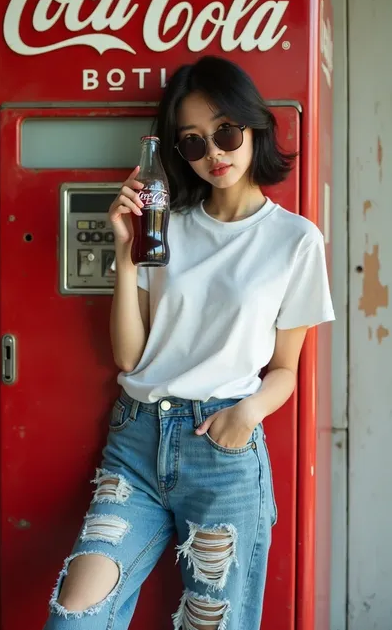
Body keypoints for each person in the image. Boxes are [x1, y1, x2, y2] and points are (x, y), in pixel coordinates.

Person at [43, 55, 335, 630]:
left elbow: (285, 370)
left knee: (212, 624)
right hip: (135, 444)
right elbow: (130, 355)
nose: (215, 154)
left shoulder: (295, 241)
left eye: (226, 133)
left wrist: (245, 414)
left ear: (253, 128)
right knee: (74, 617)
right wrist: (125, 255)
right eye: (194, 143)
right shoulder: (165, 223)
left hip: (222, 452)